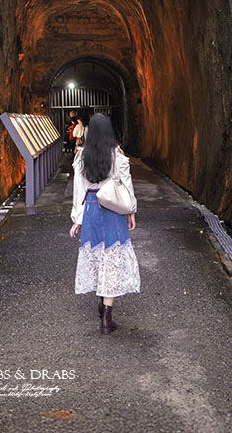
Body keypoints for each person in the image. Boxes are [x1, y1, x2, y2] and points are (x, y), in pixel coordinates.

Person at [69, 113, 140, 334]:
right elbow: (126, 186)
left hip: (91, 209)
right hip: (112, 209)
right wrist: (131, 212)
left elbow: (79, 191)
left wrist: (77, 220)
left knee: (97, 254)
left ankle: (102, 302)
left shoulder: (81, 157)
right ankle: (107, 317)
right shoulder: (118, 156)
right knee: (112, 257)